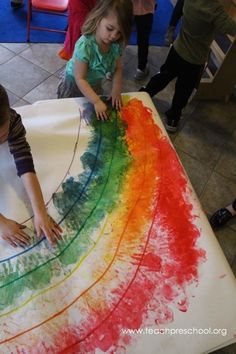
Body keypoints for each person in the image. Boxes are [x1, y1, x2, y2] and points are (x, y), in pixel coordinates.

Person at [140, 0, 236, 133]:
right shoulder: (215, 11)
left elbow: (179, 9)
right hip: (195, 60)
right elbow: (232, 28)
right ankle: (173, 117)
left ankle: (146, 92)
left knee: (163, 75)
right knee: (183, 91)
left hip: (178, 50)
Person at [0, 84, 62, 248]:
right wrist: (2, 223)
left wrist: (40, 211)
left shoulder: (12, 120)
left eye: (2, 135)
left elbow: (24, 161)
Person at [57, 0, 133, 121]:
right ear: (98, 18)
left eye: (119, 32)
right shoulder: (85, 45)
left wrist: (116, 90)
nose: (114, 36)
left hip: (94, 84)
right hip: (74, 85)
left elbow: (118, 67)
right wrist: (96, 101)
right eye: (110, 28)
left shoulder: (115, 44)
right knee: (70, 116)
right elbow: (80, 78)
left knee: (88, 117)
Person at [132, 0, 156, 80]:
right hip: (145, 9)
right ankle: (141, 69)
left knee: (120, 36)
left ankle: (112, 67)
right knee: (143, 39)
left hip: (126, 6)